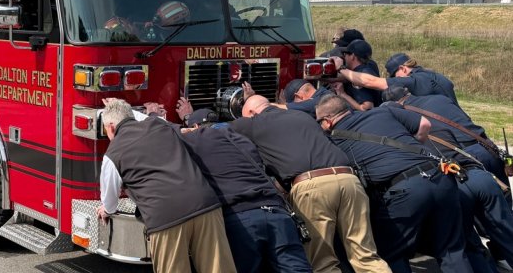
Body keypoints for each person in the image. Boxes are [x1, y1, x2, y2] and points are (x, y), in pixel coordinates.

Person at [230, 95, 390, 273]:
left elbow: (220, 132)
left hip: (312, 186)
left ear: (251, 112)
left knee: (323, 262)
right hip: (349, 179)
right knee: (366, 255)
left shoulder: (252, 123)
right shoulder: (302, 116)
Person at [315, 94, 472, 273]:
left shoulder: (333, 140)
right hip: (439, 177)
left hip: (403, 190)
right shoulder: (382, 112)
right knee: (452, 250)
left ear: (327, 121)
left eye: (319, 121)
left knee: (391, 253)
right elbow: (424, 125)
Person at [97, 99, 235, 273]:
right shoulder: (158, 124)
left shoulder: (112, 154)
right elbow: (137, 117)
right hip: (205, 204)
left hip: (166, 218)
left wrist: (106, 210)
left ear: (110, 127)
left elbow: (110, 199)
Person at [382, 86, 513, 270]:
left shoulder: (402, 144)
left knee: (469, 245)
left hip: (455, 188)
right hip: (479, 177)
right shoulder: (438, 129)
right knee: (506, 231)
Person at [179, 109, 312, 272]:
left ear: (195, 126)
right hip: (277, 213)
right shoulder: (241, 140)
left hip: (240, 219)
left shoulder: (196, 139)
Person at [333, 52, 458, 105]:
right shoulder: (435, 76)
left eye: (394, 76)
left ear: (403, 69)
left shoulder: (413, 80)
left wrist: (341, 69)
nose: (395, 80)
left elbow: (370, 82)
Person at [331, 39, 382, 111]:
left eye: (345, 54)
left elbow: (367, 108)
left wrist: (342, 94)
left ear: (353, 56)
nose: (344, 57)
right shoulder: (369, 67)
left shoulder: (359, 77)